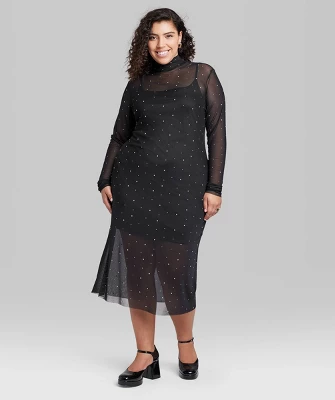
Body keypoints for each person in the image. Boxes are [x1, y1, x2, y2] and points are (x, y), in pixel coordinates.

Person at [91, 7, 227, 387]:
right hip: (134, 188)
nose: (160, 44)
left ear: (181, 37)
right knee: (137, 272)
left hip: (184, 190)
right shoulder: (136, 86)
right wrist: (104, 178)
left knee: (176, 272)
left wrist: (214, 188)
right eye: (152, 37)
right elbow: (119, 136)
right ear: (144, 42)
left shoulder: (203, 76)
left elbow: (217, 133)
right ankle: (144, 353)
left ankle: (186, 345)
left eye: (168, 35)